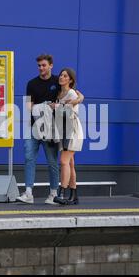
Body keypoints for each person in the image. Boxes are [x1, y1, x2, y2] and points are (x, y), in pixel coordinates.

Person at [16, 54, 84, 204]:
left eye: (44, 65)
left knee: (53, 162)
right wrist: (43, 107)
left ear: (51, 65)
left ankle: (54, 194)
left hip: (52, 130)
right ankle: (28, 193)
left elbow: (73, 95)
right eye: (39, 65)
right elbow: (28, 106)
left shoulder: (58, 81)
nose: (41, 68)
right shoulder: (31, 84)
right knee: (28, 157)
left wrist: (79, 99)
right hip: (34, 127)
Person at [52, 68, 83, 205]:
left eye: (65, 76)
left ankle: (62, 193)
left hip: (72, 129)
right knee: (70, 163)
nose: (61, 77)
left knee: (64, 161)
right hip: (63, 130)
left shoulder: (71, 92)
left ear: (70, 80)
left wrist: (56, 106)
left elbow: (68, 110)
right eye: (61, 75)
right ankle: (74, 195)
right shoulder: (59, 94)